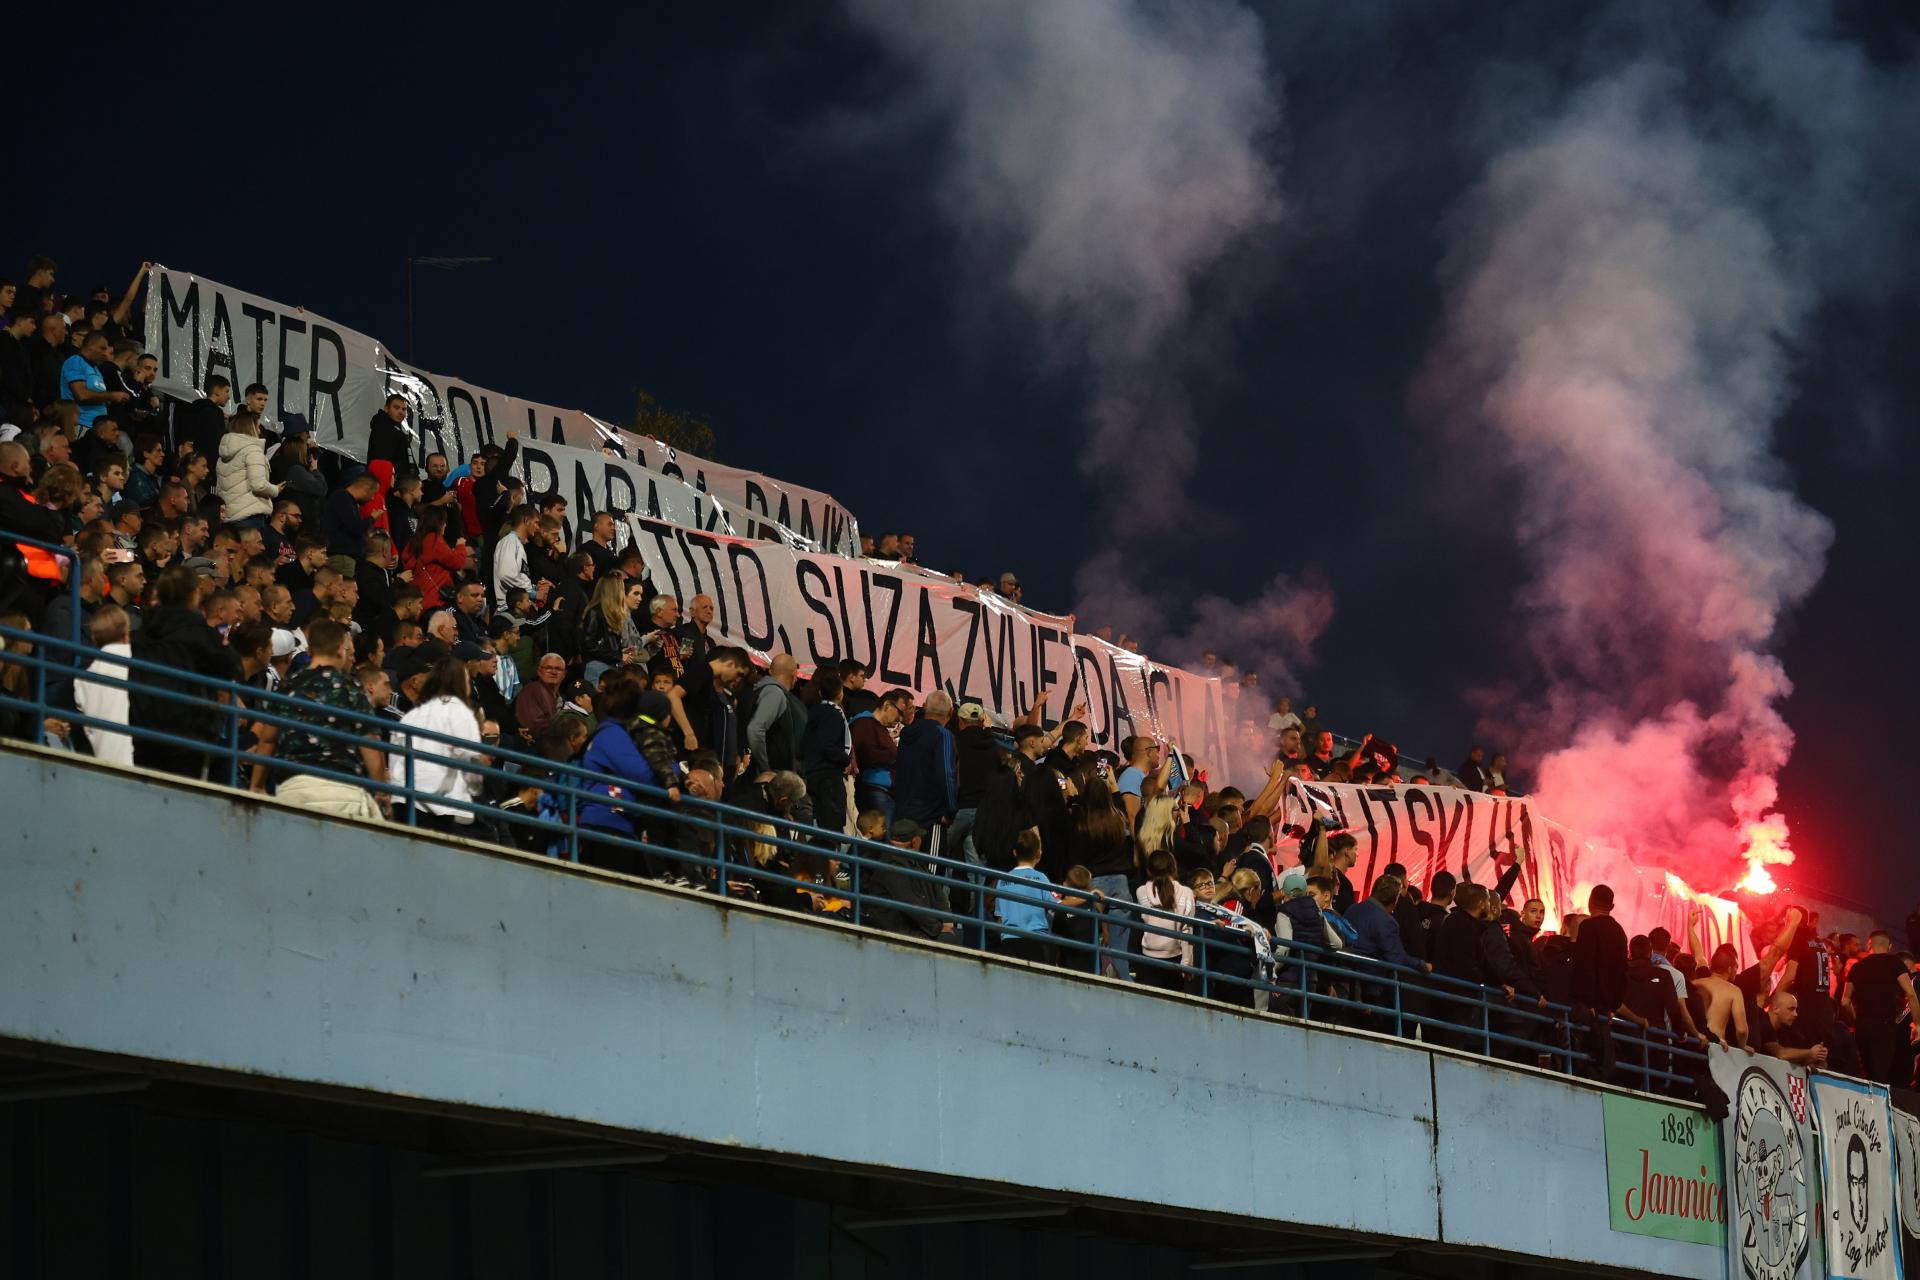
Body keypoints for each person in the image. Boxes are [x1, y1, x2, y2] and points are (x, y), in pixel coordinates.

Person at [273, 618, 387, 819]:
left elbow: (266, 737)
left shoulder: (288, 685)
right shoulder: (352, 689)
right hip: (343, 790)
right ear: (340, 651)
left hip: (292, 789)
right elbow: (370, 744)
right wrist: (383, 792)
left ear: (309, 651)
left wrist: (256, 785)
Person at [390, 656, 490, 832]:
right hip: (437, 807)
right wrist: (475, 788)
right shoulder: (461, 713)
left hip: (403, 800)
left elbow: (394, 760)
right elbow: (471, 761)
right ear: (461, 684)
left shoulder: (412, 715)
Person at [1070, 773, 1136, 981]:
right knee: (1120, 949)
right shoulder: (1119, 820)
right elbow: (1130, 848)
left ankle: (1093, 983)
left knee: (1091, 942)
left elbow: (1077, 857)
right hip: (1121, 883)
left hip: (1094, 885)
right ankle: (1125, 985)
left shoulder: (1082, 823)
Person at [1843, 931, 1920, 1084]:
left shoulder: (1856, 967)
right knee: (1880, 1076)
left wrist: (1854, 1021)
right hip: (1885, 1027)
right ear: (1889, 947)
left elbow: (1845, 1001)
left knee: (1865, 1074)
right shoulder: (1895, 963)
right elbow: (1911, 994)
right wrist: (1918, 1024)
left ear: (1869, 944)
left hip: (1863, 1027)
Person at [74, 604, 134, 766]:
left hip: (103, 762)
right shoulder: (137, 660)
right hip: (136, 760)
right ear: (126, 634)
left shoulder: (82, 679)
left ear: (94, 639)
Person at [893, 690, 958, 840]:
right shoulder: (943, 735)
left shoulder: (906, 733)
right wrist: (951, 811)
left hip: (901, 812)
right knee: (929, 857)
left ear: (923, 706)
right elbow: (946, 774)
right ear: (951, 712)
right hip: (929, 818)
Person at [801, 667, 854, 836]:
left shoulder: (814, 711)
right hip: (828, 776)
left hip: (814, 772)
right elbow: (826, 744)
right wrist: (845, 760)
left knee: (820, 824)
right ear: (840, 693)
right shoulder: (832, 714)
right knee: (831, 827)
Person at [993, 829, 1057, 964]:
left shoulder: (1002, 880)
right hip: (1035, 941)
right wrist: (1085, 897)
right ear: (1039, 853)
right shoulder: (1041, 878)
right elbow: (1057, 905)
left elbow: (999, 916)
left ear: (1015, 853)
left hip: (1008, 941)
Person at [1134, 849, 1195, 990]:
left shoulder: (1141, 891)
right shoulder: (1186, 893)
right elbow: (1187, 929)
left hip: (1147, 958)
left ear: (1149, 871)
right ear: (1174, 868)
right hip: (1175, 960)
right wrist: (1186, 964)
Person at [215, 410, 281, 525]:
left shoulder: (222, 457)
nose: (260, 431)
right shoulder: (253, 450)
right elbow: (259, 485)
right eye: (258, 427)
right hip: (251, 516)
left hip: (229, 518)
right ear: (250, 427)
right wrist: (276, 490)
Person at [851, 689, 907, 823]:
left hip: (884, 792)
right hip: (873, 791)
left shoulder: (880, 728)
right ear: (887, 705)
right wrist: (895, 754)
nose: (900, 719)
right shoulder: (863, 722)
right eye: (899, 713)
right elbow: (866, 756)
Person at [744, 653, 801, 775]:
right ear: (793, 673)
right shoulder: (775, 693)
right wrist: (765, 768)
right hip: (770, 776)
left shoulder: (759, 690)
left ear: (770, 671)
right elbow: (755, 729)